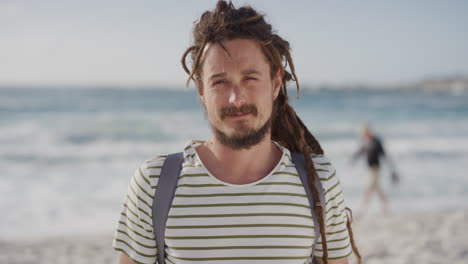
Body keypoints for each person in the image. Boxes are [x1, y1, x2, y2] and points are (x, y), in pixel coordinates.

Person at [112, 1, 360, 264]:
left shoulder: (319, 182)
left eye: (250, 78)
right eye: (220, 82)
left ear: (275, 83)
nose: (236, 98)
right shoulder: (155, 183)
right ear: (201, 91)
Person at [351, 124, 399, 217]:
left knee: (367, 189)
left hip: (375, 169)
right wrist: (353, 160)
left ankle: (361, 210)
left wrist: (391, 169)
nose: (363, 135)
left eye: (364, 133)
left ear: (368, 132)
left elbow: (384, 155)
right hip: (369, 170)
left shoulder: (376, 141)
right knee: (378, 190)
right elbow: (360, 152)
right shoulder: (366, 142)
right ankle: (385, 209)